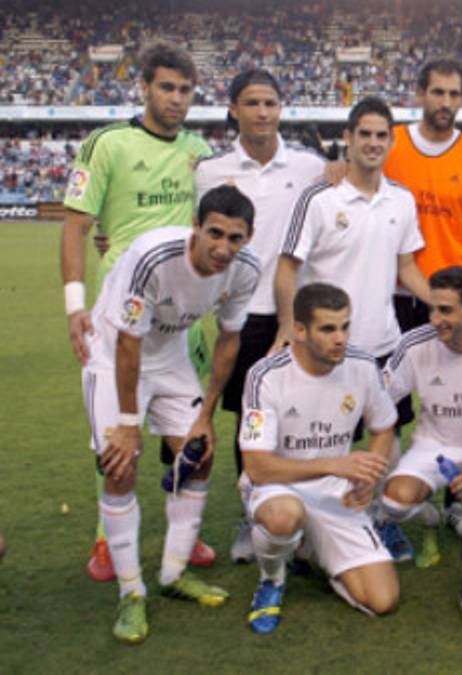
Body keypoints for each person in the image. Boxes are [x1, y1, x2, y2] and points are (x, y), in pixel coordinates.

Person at [60, 43, 215, 581]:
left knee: (185, 435)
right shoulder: (108, 144)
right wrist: (74, 305)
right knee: (113, 435)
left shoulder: (200, 151)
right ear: (145, 87)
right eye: (166, 87)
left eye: (185, 90)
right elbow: (76, 225)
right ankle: (106, 538)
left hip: (178, 317)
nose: (176, 98)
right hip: (117, 311)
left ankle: (182, 533)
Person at [80, 185, 260, 643]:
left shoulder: (245, 272)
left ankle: (173, 572)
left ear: (249, 237)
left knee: (199, 455)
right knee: (120, 466)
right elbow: (128, 343)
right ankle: (131, 591)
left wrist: (206, 416)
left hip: (172, 359)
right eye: (214, 233)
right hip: (114, 355)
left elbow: (228, 339)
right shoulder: (154, 256)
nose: (223, 248)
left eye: (235, 238)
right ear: (196, 227)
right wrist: (126, 423)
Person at [275, 96, 430, 560]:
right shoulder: (319, 198)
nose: (373, 143)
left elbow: (408, 267)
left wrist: (442, 302)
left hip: (381, 343)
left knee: (389, 434)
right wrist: (288, 326)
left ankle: (384, 521)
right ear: (348, 137)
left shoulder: (401, 200)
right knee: (319, 438)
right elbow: (288, 266)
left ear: (391, 141)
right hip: (323, 346)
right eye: (364, 133)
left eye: (382, 135)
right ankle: (309, 526)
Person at [194, 68, 327, 563]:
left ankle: (308, 514)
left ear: (281, 107)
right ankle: (253, 516)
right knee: (251, 420)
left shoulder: (312, 166)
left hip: (300, 314)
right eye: (251, 103)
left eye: (270, 102)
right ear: (233, 110)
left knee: (305, 414)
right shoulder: (209, 171)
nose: (262, 112)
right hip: (243, 316)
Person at [239, 283, 399, 633]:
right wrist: (333, 464)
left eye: (345, 326)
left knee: (382, 600)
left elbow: (384, 427)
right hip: (278, 487)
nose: (340, 338)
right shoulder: (265, 375)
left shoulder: (362, 366)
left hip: (334, 492)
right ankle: (272, 579)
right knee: (285, 517)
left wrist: (367, 478)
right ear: (299, 329)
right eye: (328, 329)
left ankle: (312, 549)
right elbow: (257, 467)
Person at [378, 267, 462, 568]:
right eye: (432, 309)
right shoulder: (414, 343)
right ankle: (433, 517)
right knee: (394, 502)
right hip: (434, 449)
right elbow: (379, 403)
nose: (435, 319)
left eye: (446, 310)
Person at [383, 59, 462, 332]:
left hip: (453, 294)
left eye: (454, 94)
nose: (446, 102)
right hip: (393, 292)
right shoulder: (390, 142)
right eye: (438, 92)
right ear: (420, 94)